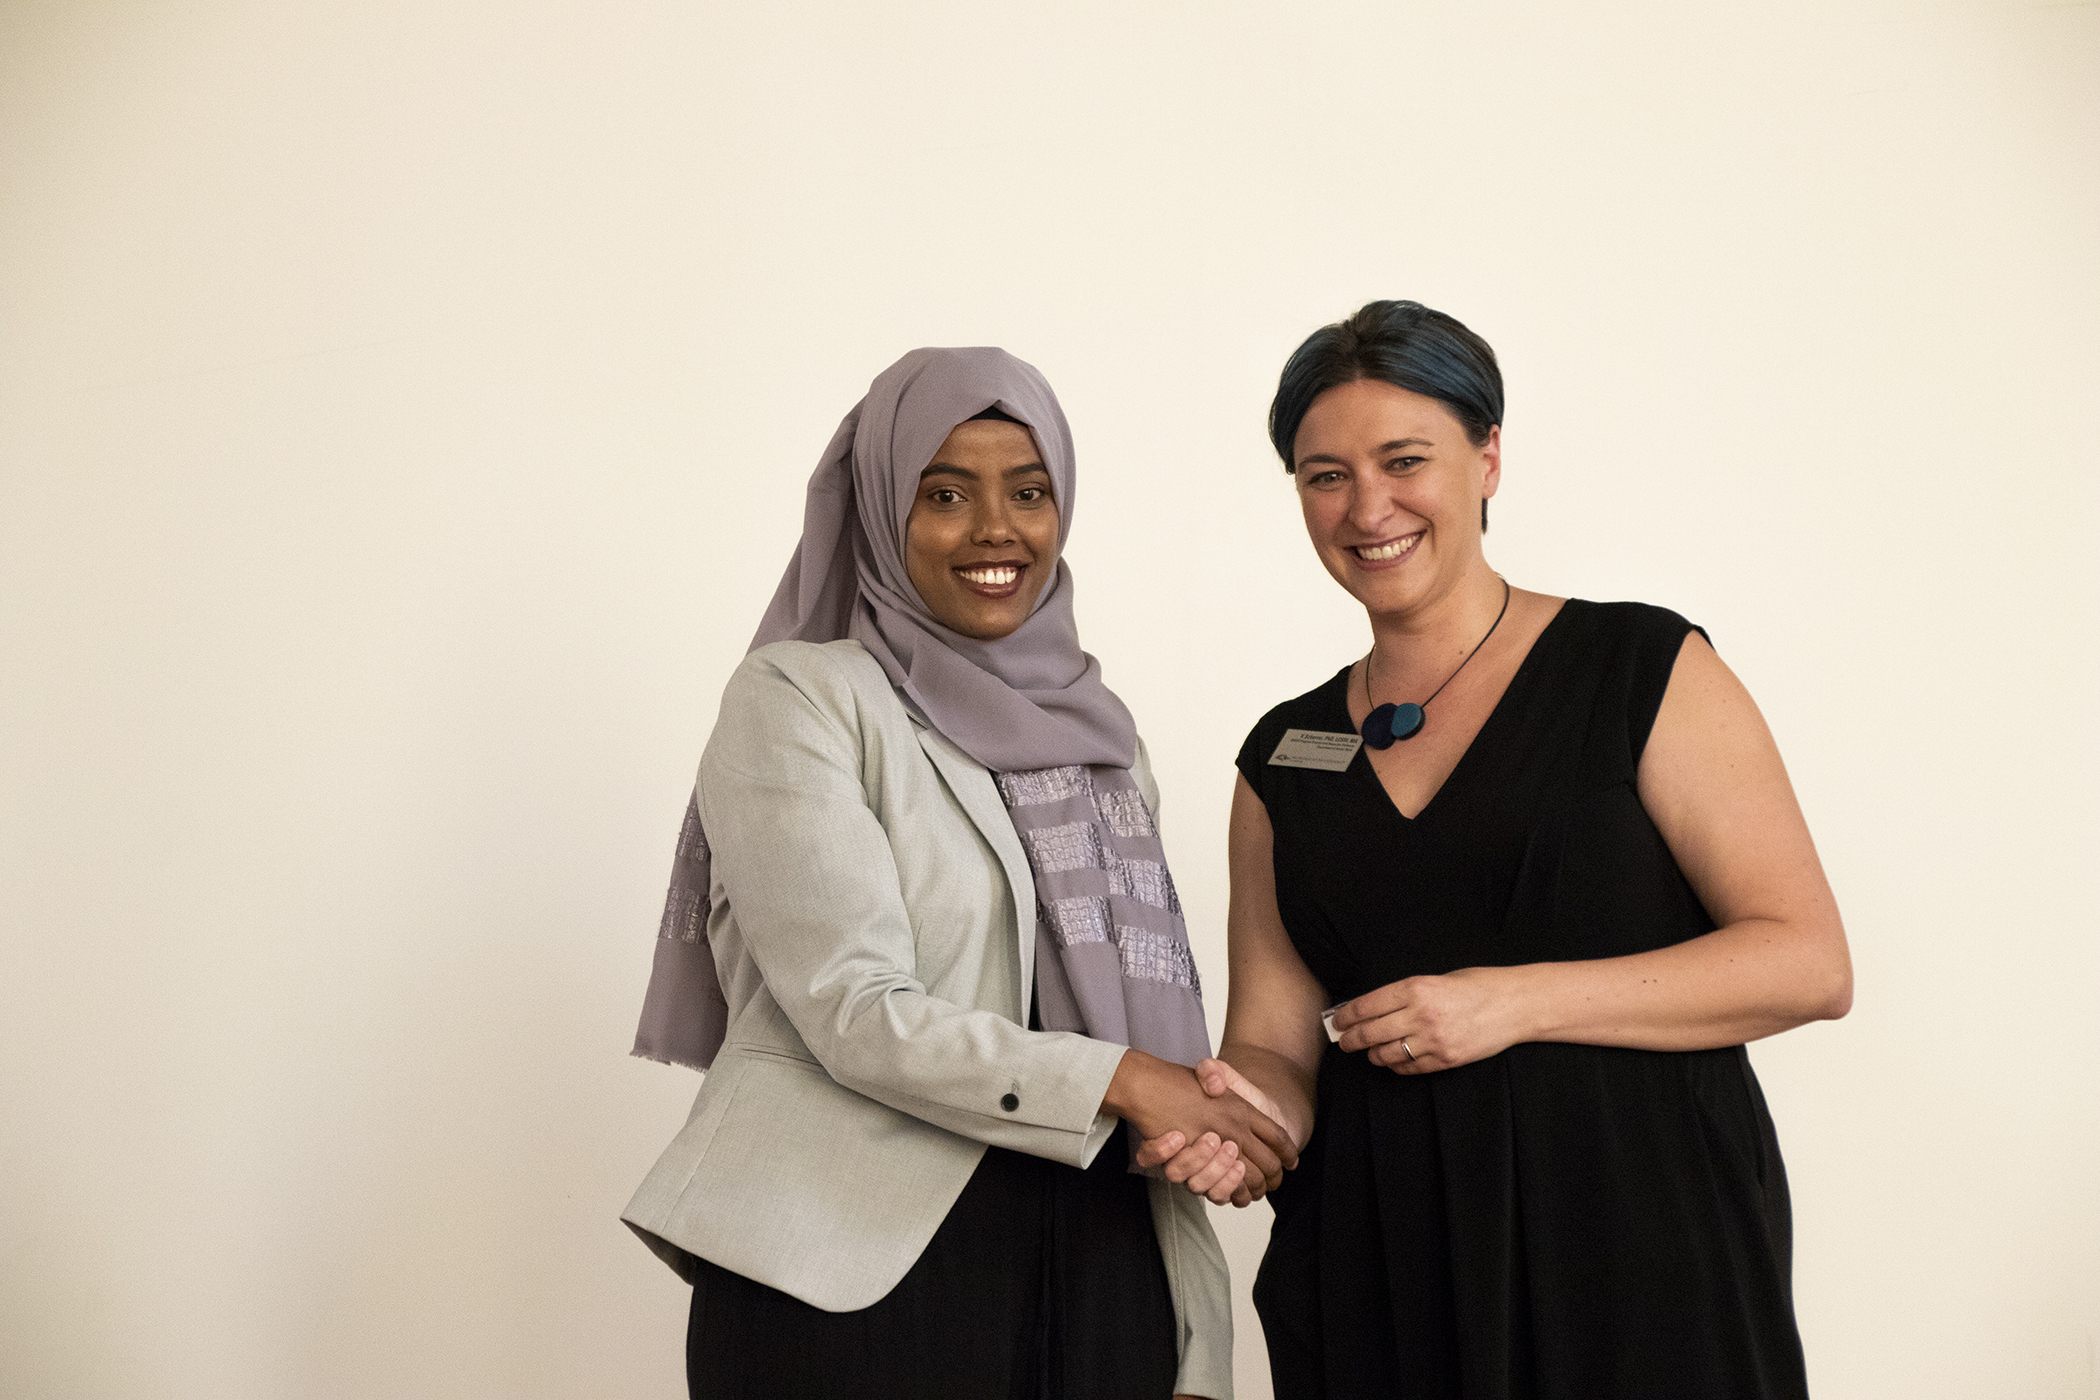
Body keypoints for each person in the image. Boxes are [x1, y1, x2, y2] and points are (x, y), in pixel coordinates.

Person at [1138, 301, 1852, 1399]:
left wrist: (1510, 1001)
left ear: (1488, 458)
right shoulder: (1284, 755)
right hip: (1383, 1267)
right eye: (1325, 474)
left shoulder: (1638, 667)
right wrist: (1242, 1126)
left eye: (1404, 459)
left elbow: (1807, 961)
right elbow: (1278, 1047)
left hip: (1641, 1247)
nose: (1367, 506)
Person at [622, 346, 1295, 1400]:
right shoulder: (803, 698)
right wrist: (1133, 1080)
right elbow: (854, 1006)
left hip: (1099, 1257)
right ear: (886, 508)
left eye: (1027, 491)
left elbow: (1144, 1020)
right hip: (859, 1278)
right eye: (945, 493)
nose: (995, 529)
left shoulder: (1100, 739)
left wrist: (1198, 1148)